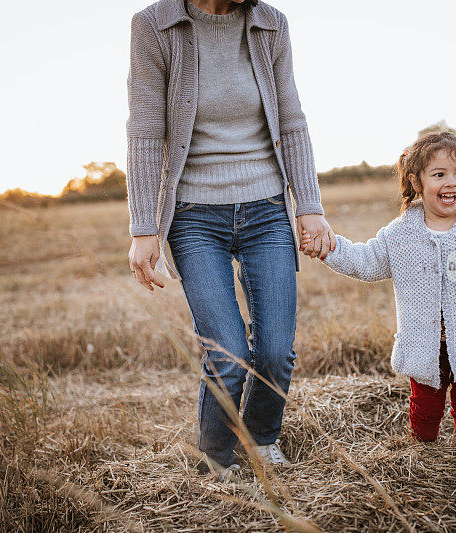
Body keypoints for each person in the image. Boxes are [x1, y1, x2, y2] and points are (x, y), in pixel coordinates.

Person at [125, 0, 335, 476]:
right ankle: (215, 461)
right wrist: (144, 227)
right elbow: (145, 131)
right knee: (229, 353)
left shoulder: (270, 24)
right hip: (195, 215)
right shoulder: (154, 27)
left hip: (266, 211)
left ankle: (261, 439)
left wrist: (309, 206)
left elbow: (291, 120)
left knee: (276, 351)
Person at [303, 131, 456, 450]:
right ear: (417, 182)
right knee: (424, 410)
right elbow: (366, 260)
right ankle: (422, 454)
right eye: (439, 174)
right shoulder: (402, 232)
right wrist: (329, 250)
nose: (451, 182)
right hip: (424, 344)